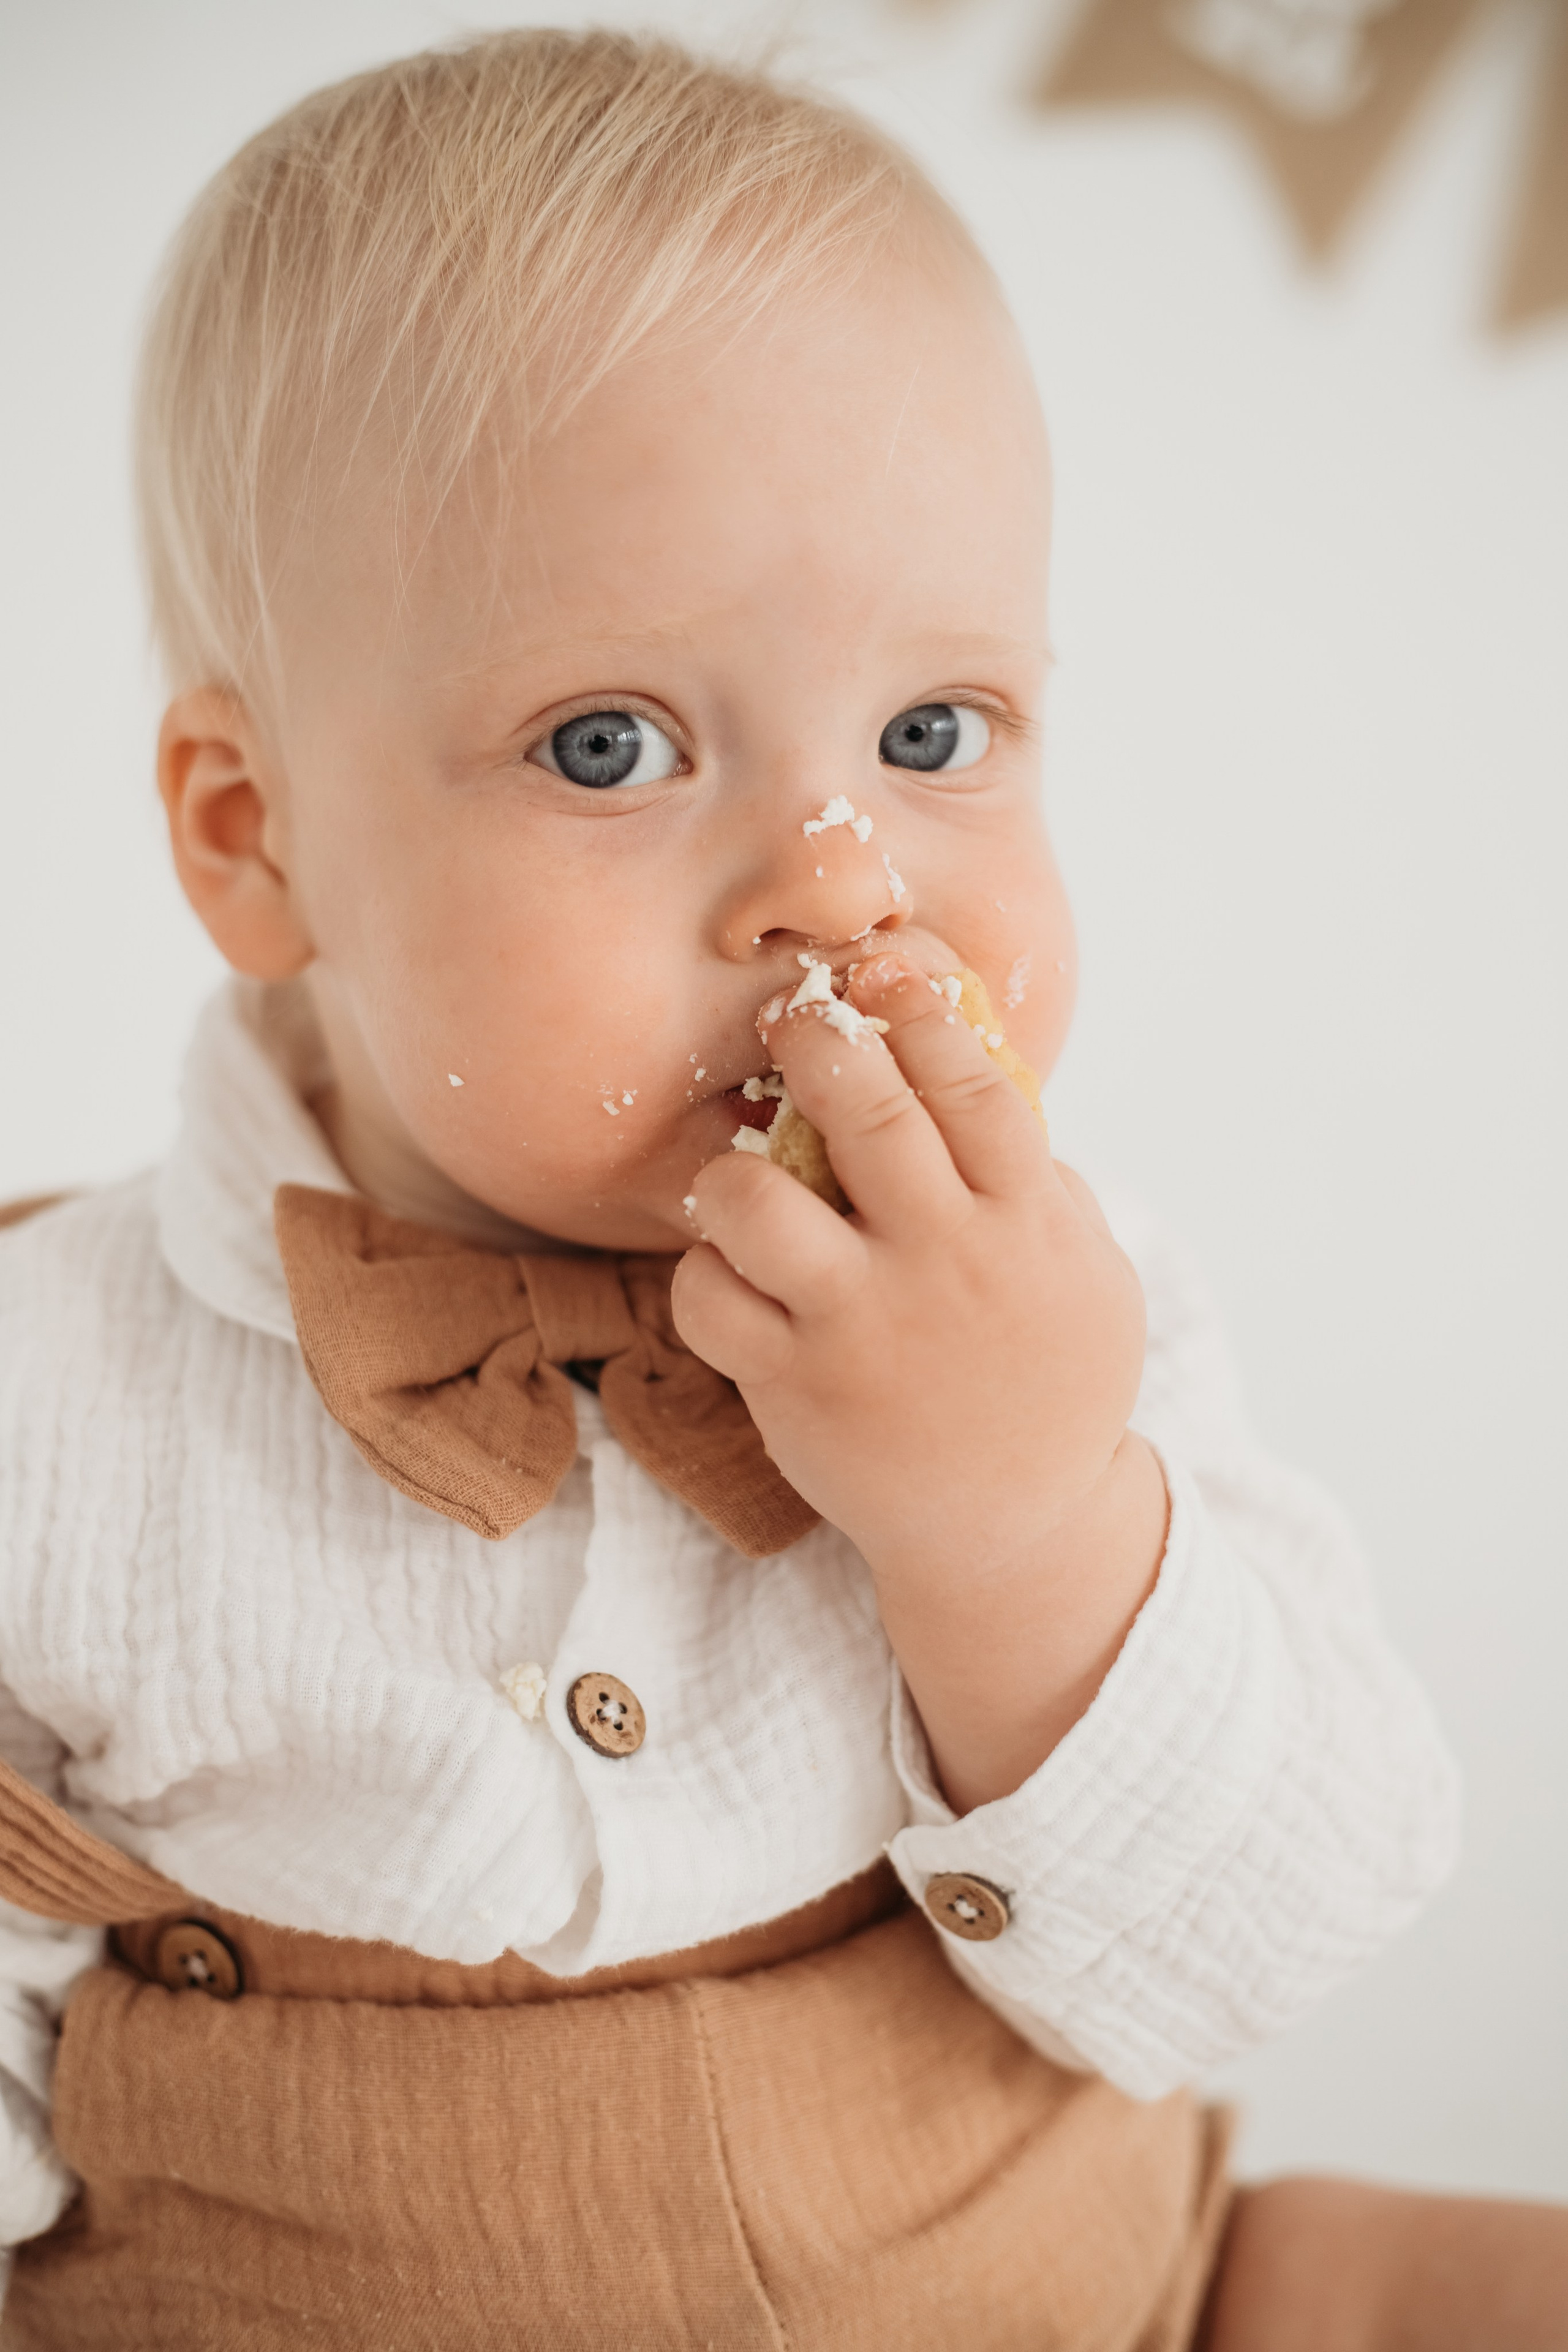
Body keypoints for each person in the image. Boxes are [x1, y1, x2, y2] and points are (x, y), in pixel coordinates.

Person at [0, 28, 1561, 2349]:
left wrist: (1024, 1524)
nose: (836, 889)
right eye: (611, 746)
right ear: (256, 837)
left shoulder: (1075, 1310)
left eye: (934, 737)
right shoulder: (57, 1398)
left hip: (1103, 2293)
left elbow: (1276, 1940)